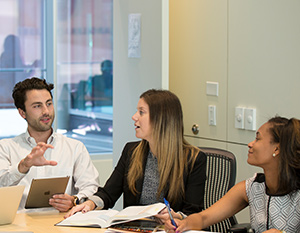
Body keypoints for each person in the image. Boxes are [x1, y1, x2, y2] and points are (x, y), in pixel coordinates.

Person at [165, 116, 300, 233]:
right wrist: (183, 224)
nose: (250, 144)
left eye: (258, 139)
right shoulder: (252, 187)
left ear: (276, 149)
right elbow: (204, 218)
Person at [65, 89, 207, 221]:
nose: (134, 117)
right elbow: (108, 193)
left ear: (161, 119)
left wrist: (176, 217)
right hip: (134, 232)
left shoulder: (193, 159)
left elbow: (193, 213)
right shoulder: (131, 151)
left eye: (141, 112)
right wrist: (90, 204)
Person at [0, 77, 99, 211]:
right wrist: (24, 165)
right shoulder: (6, 148)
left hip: (63, 224)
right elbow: (1, 187)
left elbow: (92, 187)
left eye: (49, 103)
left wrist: (74, 200)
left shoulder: (75, 147)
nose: (46, 111)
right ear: (22, 113)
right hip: (21, 226)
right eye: (37, 106)